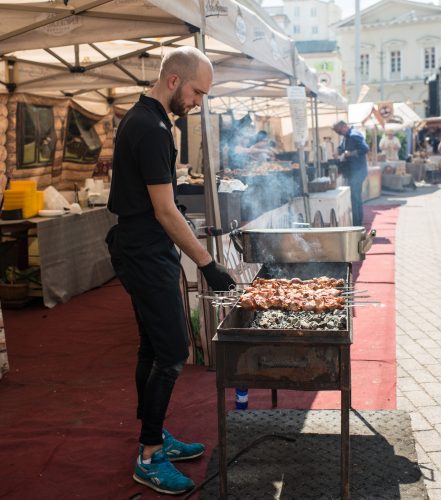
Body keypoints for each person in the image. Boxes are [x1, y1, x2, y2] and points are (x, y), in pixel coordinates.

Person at [106, 46, 235, 495]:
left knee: (152, 347)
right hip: (144, 250)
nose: (199, 102)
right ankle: (147, 455)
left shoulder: (149, 119)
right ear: (175, 81)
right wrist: (208, 263)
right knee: (173, 352)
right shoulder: (152, 126)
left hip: (139, 247)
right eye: (198, 92)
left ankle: (155, 437)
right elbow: (164, 210)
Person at [332, 120, 369, 226]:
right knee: (354, 197)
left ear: (344, 127)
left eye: (339, 131)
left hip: (357, 171)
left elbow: (365, 149)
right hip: (352, 171)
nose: (339, 134)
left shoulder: (354, 135)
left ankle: (357, 224)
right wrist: (338, 151)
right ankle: (357, 222)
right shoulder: (346, 137)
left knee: (355, 197)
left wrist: (350, 153)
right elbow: (342, 147)